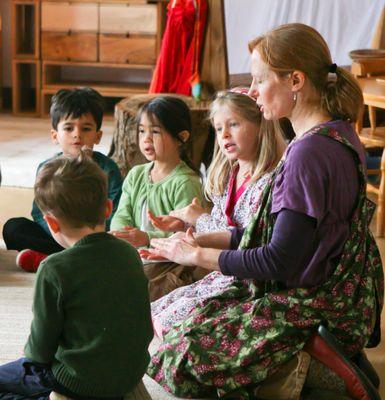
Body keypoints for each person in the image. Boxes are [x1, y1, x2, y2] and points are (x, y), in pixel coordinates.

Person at [144, 23, 384, 399]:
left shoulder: (308, 154)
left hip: (314, 300)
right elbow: (295, 239)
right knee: (178, 315)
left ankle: (318, 366)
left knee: (181, 356)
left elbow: (280, 262)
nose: (252, 91)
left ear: (296, 81)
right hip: (337, 293)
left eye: (259, 80)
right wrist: (205, 241)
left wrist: (199, 255)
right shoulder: (338, 132)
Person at [0, 154, 153, 400]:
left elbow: (40, 350)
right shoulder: (130, 254)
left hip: (75, 381)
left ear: (52, 222)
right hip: (129, 376)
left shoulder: (54, 268)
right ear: (108, 208)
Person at [144, 90, 285, 337]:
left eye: (234, 124)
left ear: (261, 126)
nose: (225, 135)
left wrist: (198, 225)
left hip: (244, 278)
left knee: (176, 320)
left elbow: (248, 238)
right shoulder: (227, 174)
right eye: (219, 129)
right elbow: (222, 226)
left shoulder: (269, 181)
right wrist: (187, 230)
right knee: (157, 309)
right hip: (220, 270)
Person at [2, 87, 122, 272]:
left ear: (98, 136)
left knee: (121, 240)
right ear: (54, 135)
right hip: (56, 235)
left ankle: (57, 261)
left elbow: (114, 210)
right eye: (68, 128)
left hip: (95, 238)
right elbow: (38, 211)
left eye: (86, 128)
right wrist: (61, 233)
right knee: (14, 228)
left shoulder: (108, 169)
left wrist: (84, 238)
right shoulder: (47, 168)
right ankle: (64, 259)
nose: (77, 134)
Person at [109, 96, 204, 301]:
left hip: (168, 261)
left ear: (182, 136)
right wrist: (121, 235)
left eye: (155, 132)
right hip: (134, 254)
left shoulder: (185, 182)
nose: (146, 139)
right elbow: (122, 213)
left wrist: (147, 238)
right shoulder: (136, 174)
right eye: (142, 131)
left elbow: (188, 235)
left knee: (135, 284)